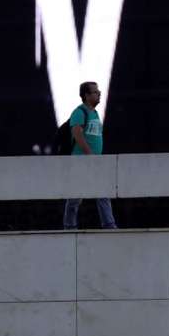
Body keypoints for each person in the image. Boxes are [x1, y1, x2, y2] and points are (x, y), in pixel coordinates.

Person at [63, 82, 117, 229]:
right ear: (86, 95)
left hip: (93, 162)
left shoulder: (94, 113)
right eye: (95, 92)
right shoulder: (80, 112)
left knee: (102, 192)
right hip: (82, 161)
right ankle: (69, 226)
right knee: (75, 197)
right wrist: (90, 155)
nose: (99, 93)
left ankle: (108, 224)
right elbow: (77, 134)